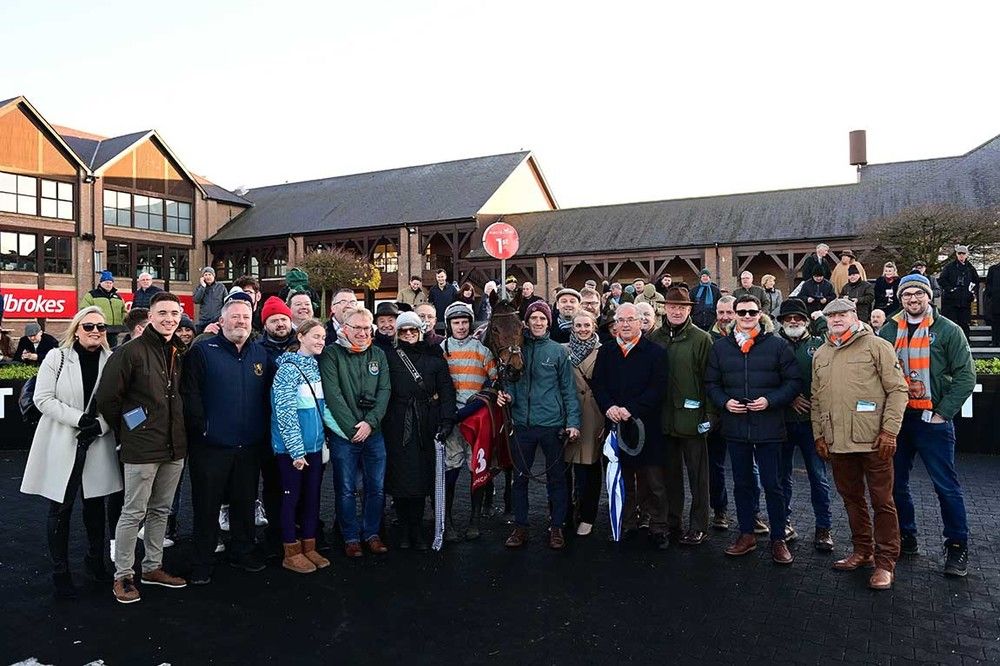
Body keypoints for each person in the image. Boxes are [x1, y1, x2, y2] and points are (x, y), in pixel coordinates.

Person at [879, 273, 976, 577]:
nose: (913, 299)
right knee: (895, 483)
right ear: (900, 299)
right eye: (907, 294)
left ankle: (957, 546)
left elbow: (966, 376)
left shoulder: (948, 330)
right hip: (898, 419)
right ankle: (906, 536)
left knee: (945, 485)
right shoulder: (888, 330)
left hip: (932, 420)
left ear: (928, 297)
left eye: (918, 293)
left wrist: (943, 413)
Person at [20, 306, 121, 597]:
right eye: (89, 326)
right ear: (76, 329)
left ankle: (95, 561)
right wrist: (80, 420)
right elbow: (43, 398)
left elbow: (120, 401)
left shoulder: (112, 360)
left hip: (97, 441)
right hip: (63, 440)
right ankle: (60, 571)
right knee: (60, 508)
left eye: (101, 327)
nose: (95, 331)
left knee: (95, 507)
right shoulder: (57, 357)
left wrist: (101, 425)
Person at [95, 292, 188, 604]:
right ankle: (123, 575)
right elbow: (108, 398)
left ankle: (152, 567)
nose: (169, 319)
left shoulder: (177, 349)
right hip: (142, 448)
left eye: (174, 314)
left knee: (161, 509)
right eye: (163, 313)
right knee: (133, 512)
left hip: (174, 446)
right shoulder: (130, 351)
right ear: (150, 316)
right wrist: (133, 427)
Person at [810, 298, 908, 590]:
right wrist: (819, 434)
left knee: (882, 502)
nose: (836, 319)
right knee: (852, 499)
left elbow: (898, 390)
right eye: (831, 316)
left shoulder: (877, 346)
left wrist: (890, 431)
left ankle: (885, 562)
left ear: (855, 316)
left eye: (842, 314)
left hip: (874, 441)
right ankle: (863, 551)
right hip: (838, 442)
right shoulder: (822, 353)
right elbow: (816, 399)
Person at [181, 296, 271, 584]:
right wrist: (203, 430)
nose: (240, 321)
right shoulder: (202, 351)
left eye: (245, 317)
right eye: (234, 317)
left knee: (244, 502)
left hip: (249, 446)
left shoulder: (260, 354)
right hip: (211, 447)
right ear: (221, 321)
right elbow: (191, 395)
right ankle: (202, 561)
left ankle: (242, 551)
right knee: (206, 506)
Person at [705, 294, 801, 564]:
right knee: (742, 484)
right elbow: (711, 383)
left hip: (769, 426)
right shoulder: (721, 348)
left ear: (760, 314)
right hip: (736, 426)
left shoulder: (778, 345)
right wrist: (725, 402)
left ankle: (778, 538)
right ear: (734, 314)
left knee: (773, 484)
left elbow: (793, 382)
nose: (747, 316)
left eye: (752, 312)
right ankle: (746, 534)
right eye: (742, 312)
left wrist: (770, 401)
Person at [497, 301, 581, 550]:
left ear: (548, 322)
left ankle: (556, 526)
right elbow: (510, 381)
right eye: (533, 318)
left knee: (557, 479)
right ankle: (520, 526)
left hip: (551, 424)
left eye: (542, 318)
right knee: (520, 478)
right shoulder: (516, 349)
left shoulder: (558, 351)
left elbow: (568, 390)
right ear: (526, 321)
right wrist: (508, 396)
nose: (538, 322)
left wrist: (573, 422)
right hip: (522, 424)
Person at [591, 303, 670, 548]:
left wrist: (632, 409)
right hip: (616, 425)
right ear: (615, 324)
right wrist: (609, 407)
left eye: (630, 320)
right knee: (623, 479)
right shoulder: (606, 351)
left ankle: (658, 526)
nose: (625, 324)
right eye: (621, 320)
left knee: (654, 481)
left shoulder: (655, 352)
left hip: (647, 426)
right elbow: (598, 384)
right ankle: (627, 523)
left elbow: (658, 388)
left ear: (640, 323)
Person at [319, 306, 391, 557]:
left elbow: (385, 390)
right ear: (344, 328)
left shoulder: (378, 354)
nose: (362, 333)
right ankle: (350, 536)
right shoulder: (331, 354)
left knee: (376, 488)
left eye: (366, 328)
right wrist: (352, 429)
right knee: (345, 488)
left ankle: (371, 533)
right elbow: (333, 394)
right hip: (344, 435)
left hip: (374, 432)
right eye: (357, 327)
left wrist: (370, 422)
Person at [384, 311, 456, 550]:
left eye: (413, 330)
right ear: (398, 333)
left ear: (420, 331)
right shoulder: (389, 356)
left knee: (421, 477)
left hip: (426, 423)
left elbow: (446, 390)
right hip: (397, 423)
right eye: (403, 330)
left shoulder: (434, 356)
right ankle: (404, 528)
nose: (408, 334)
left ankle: (416, 527)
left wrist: (447, 420)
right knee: (400, 477)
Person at [648, 287, 713, 546]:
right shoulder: (654, 338)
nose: (677, 311)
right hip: (664, 420)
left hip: (693, 420)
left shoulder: (701, 339)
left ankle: (698, 525)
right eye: (673, 307)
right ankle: (673, 521)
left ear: (689, 310)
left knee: (698, 477)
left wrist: (710, 415)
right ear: (665, 308)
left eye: (682, 307)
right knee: (670, 476)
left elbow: (710, 379)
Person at [270, 318, 333, 573]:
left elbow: (322, 409)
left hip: (315, 447)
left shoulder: (316, 367)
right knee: (291, 498)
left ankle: (309, 545)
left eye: (323, 337)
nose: (321, 341)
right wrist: (296, 451)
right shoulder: (287, 370)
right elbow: (284, 413)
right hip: (291, 451)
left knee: (312, 497)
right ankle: (291, 550)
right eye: (316, 336)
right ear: (301, 337)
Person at [775, 298, 833, 551]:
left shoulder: (819, 344)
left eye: (798, 317)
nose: (793, 321)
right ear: (781, 322)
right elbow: (765, 377)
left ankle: (824, 527)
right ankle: (784, 522)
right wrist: (789, 398)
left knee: (818, 477)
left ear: (806, 320)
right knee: (782, 477)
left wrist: (821, 319)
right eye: (788, 318)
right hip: (782, 421)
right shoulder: (774, 345)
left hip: (812, 423)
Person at [440, 302, 497, 541]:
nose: (461, 327)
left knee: (477, 469)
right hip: (451, 421)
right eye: (456, 323)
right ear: (449, 325)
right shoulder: (441, 350)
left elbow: (494, 381)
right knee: (450, 470)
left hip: (476, 420)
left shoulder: (482, 351)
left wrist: (475, 406)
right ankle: (448, 520)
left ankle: (474, 520)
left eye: (465, 322)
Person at [562, 310, 604, 537]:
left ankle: (588, 516)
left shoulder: (604, 351)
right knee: (565, 467)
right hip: (568, 414)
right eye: (578, 326)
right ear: (572, 328)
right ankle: (564, 513)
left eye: (587, 325)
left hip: (594, 414)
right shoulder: (563, 350)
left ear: (594, 326)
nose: (583, 329)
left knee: (590, 468)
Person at [938, 245, 979, 340]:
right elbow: (942, 280)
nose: (961, 255)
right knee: (950, 323)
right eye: (959, 253)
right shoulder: (949, 267)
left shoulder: (970, 268)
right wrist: (950, 289)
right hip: (950, 301)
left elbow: (976, 281)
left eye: (963, 253)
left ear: (967, 255)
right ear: (956, 254)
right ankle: (950, 342)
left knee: (964, 323)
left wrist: (971, 292)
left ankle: (965, 342)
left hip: (965, 301)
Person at [82, 271, 127, 346]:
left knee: (113, 348)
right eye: (106, 282)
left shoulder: (118, 297)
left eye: (110, 283)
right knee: (99, 347)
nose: (109, 284)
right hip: (99, 328)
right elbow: (85, 310)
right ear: (101, 283)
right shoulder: (91, 295)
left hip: (115, 329)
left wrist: (123, 322)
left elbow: (124, 311)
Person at [193, 266, 228, 334]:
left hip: (217, 320)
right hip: (204, 321)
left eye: (209, 274)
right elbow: (196, 300)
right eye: (205, 275)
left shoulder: (221, 287)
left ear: (214, 276)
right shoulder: (200, 287)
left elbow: (226, 302)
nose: (208, 277)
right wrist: (203, 287)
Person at [985, 259, 1000, 346]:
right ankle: (995, 341)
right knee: (995, 322)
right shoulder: (993, 269)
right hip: (996, 300)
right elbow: (988, 284)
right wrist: (991, 294)